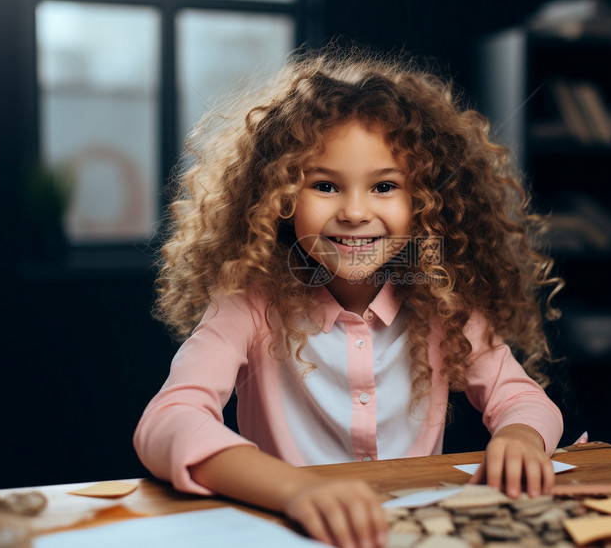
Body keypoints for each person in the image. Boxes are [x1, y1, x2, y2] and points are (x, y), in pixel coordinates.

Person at [134, 44, 564, 548]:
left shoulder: (446, 303)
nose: (355, 212)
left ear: (427, 201)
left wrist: (519, 436)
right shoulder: (249, 302)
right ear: (280, 197)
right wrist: (295, 491)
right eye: (325, 185)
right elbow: (168, 421)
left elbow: (522, 398)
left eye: (384, 187)